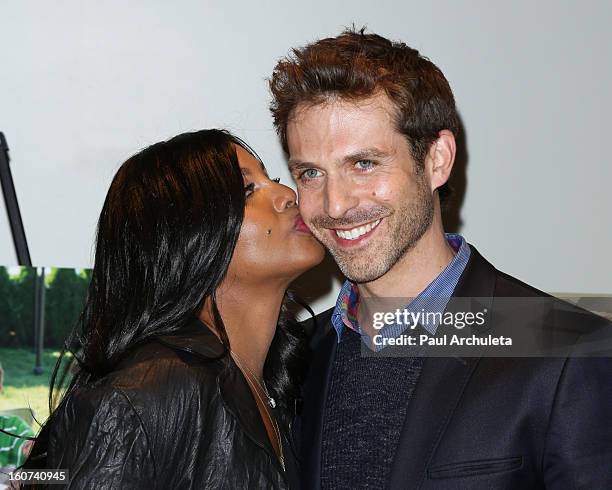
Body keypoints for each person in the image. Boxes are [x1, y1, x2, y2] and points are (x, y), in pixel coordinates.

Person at [269, 28, 612, 489]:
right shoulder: (297, 356)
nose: (334, 205)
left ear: (437, 160)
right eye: (310, 173)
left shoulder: (568, 351)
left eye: (364, 164)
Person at [21, 129, 324, 489]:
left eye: (270, 178)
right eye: (247, 191)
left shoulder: (281, 382)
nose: (287, 195)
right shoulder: (141, 400)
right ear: (188, 238)